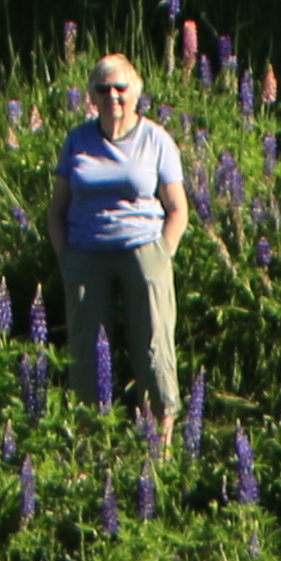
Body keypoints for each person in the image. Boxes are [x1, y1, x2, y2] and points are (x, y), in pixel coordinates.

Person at [49, 54, 192, 420]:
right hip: (84, 250)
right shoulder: (77, 140)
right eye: (103, 88)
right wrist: (65, 255)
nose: (113, 95)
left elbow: (177, 207)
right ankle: (92, 441)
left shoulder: (156, 138)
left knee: (154, 344)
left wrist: (163, 251)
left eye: (120, 88)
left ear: (136, 92)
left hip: (143, 246)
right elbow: (57, 208)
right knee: (85, 348)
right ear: (92, 96)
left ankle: (163, 443)